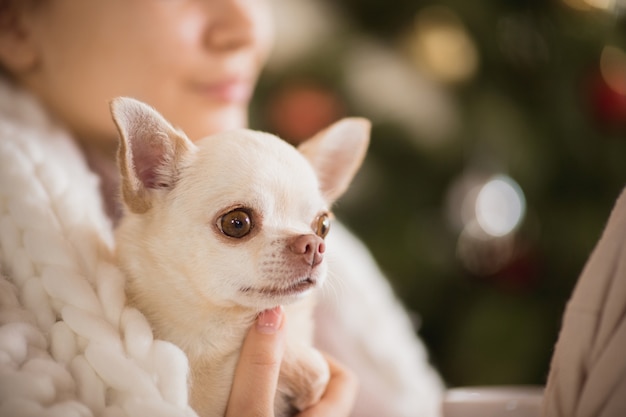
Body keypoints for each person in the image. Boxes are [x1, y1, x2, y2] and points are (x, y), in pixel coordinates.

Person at [0, 1, 443, 416]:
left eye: (319, 224)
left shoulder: (294, 201)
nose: (247, 27)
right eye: (237, 224)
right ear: (15, 21)